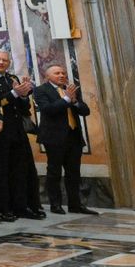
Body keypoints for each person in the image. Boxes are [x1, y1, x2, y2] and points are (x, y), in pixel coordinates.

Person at [0, 50, 42, 220]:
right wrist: (14, 94)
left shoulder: (11, 79)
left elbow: (23, 108)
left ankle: (22, 205)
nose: (0, 62)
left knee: (21, 170)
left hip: (17, 130)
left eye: (4, 60)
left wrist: (23, 96)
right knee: (2, 170)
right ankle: (4, 207)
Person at [33, 64, 96, 215]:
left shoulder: (71, 89)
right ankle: (55, 205)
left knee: (73, 172)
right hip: (54, 138)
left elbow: (85, 111)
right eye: (57, 73)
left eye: (63, 72)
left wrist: (74, 101)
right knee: (54, 172)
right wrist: (67, 99)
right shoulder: (41, 90)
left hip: (73, 137)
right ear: (47, 76)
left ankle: (75, 204)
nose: (61, 75)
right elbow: (49, 110)